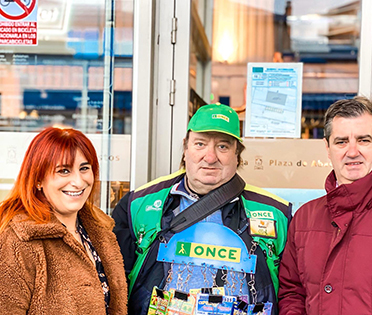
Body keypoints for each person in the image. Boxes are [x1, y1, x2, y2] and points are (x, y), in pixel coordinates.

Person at [112, 104, 292, 315]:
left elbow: (292, 291)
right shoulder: (139, 204)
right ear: (186, 149)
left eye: (223, 147)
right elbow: (114, 282)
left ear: (238, 155)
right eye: (200, 144)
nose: (210, 157)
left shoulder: (277, 213)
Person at [278, 96, 372, 314]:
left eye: (363, 140)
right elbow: (292, 293)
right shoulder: (305, 218)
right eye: (341, 141)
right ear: (327, 147)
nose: (352, 152)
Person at [0, 127, 127, 315]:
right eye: (64, 171)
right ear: (38, 180)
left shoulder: (101, 232)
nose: (78, 181)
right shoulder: (18, 240)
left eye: (84, 168)